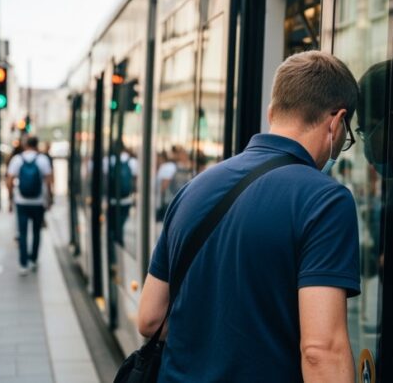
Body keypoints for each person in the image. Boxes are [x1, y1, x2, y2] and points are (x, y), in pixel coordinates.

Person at [138, 51, 361, 382]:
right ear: (337, 121)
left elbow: (150, 319)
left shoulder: (194, 188)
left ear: (272, 114)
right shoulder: (326, 201)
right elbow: (320, 352)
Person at [6, 136, 52, 275]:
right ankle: (33, 259)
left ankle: (23, 263)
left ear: (25, 145)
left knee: (23, 232)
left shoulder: (17, 159)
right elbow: (49, 180)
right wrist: (49, 198)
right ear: (37, 145)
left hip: (21, 202)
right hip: (38, 202)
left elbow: (9, 180)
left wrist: (10, 198)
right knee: (37, 232)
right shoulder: (43, 159)